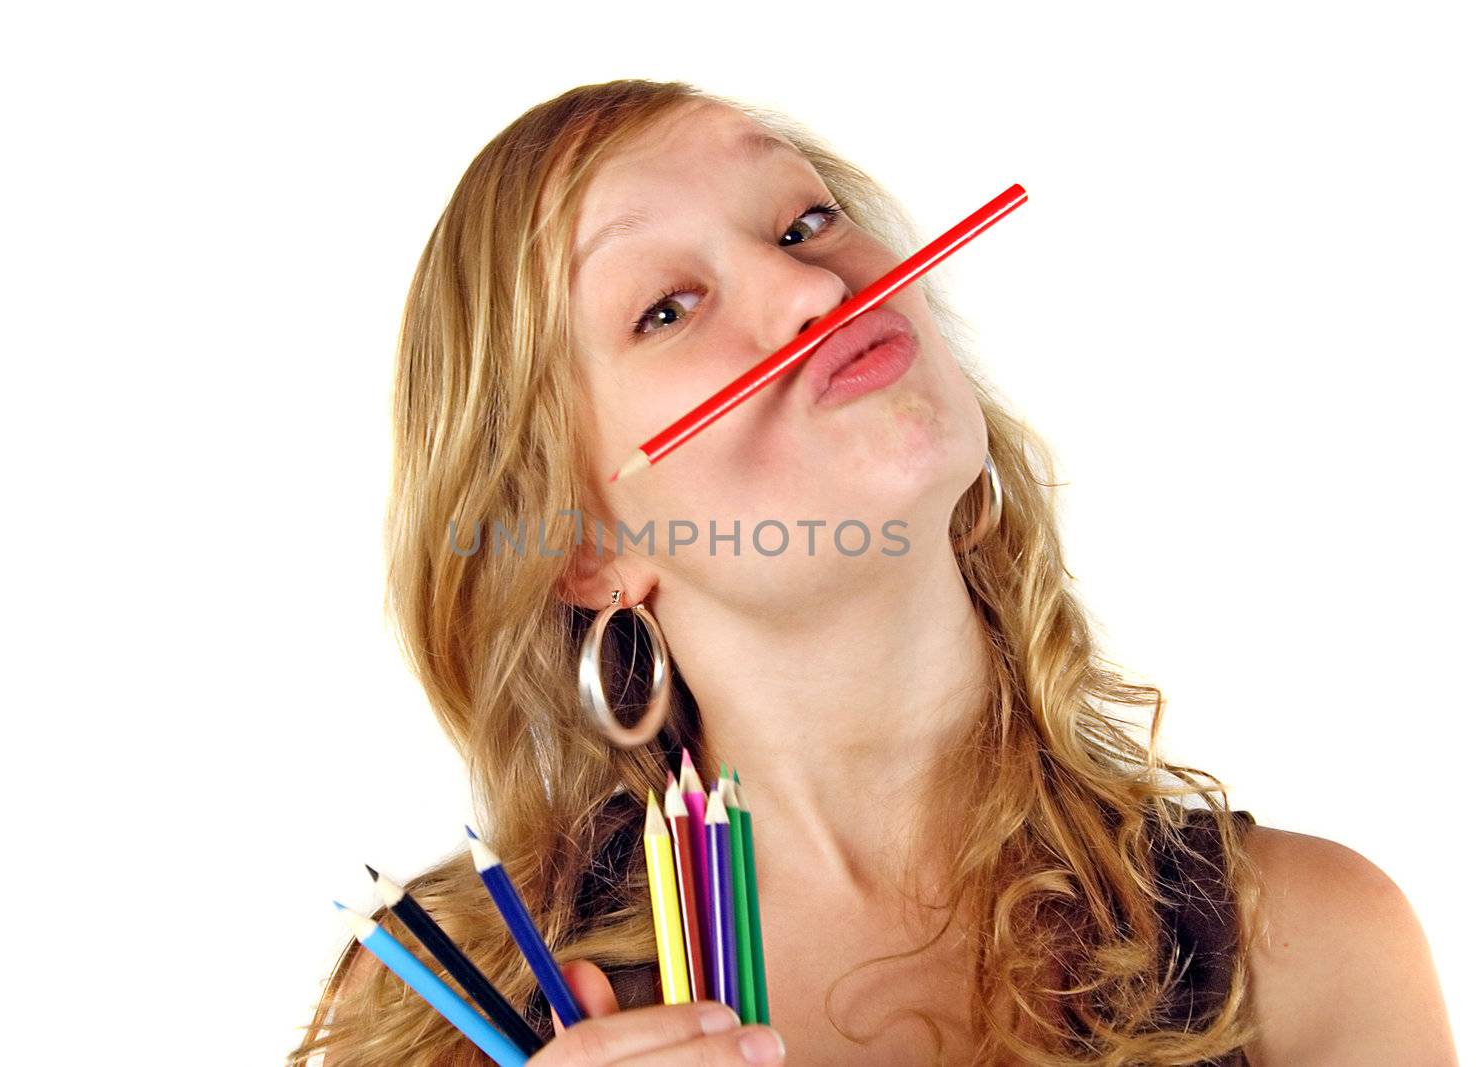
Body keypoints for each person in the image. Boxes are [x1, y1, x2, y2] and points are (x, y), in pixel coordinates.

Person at [288, 79, 1454, 1065]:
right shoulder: (436, 1011)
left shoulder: (1310, 947)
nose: (813, 289)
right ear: (589, 545)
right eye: (667, 307)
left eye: (803, 223)